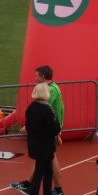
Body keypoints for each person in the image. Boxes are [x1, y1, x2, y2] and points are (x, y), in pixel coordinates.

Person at [11, 66, 65, 195]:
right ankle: (30, 185)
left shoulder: (49, 92)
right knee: (46, 163)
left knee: (48, 162)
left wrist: (29, 126)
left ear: (43, 76)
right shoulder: (54, 89)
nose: (35, 78)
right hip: (47, 133)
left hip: (46, 134)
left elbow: (44, 111)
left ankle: (56, 189)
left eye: (37, 76)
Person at [24, 83, 61, 195]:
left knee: (48, 171)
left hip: (34, 144)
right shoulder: (47, 110)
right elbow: (54, 129)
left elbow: (28, 127)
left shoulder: (30, 108)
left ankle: (47, 192)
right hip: (45, 146)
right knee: (39, 174)